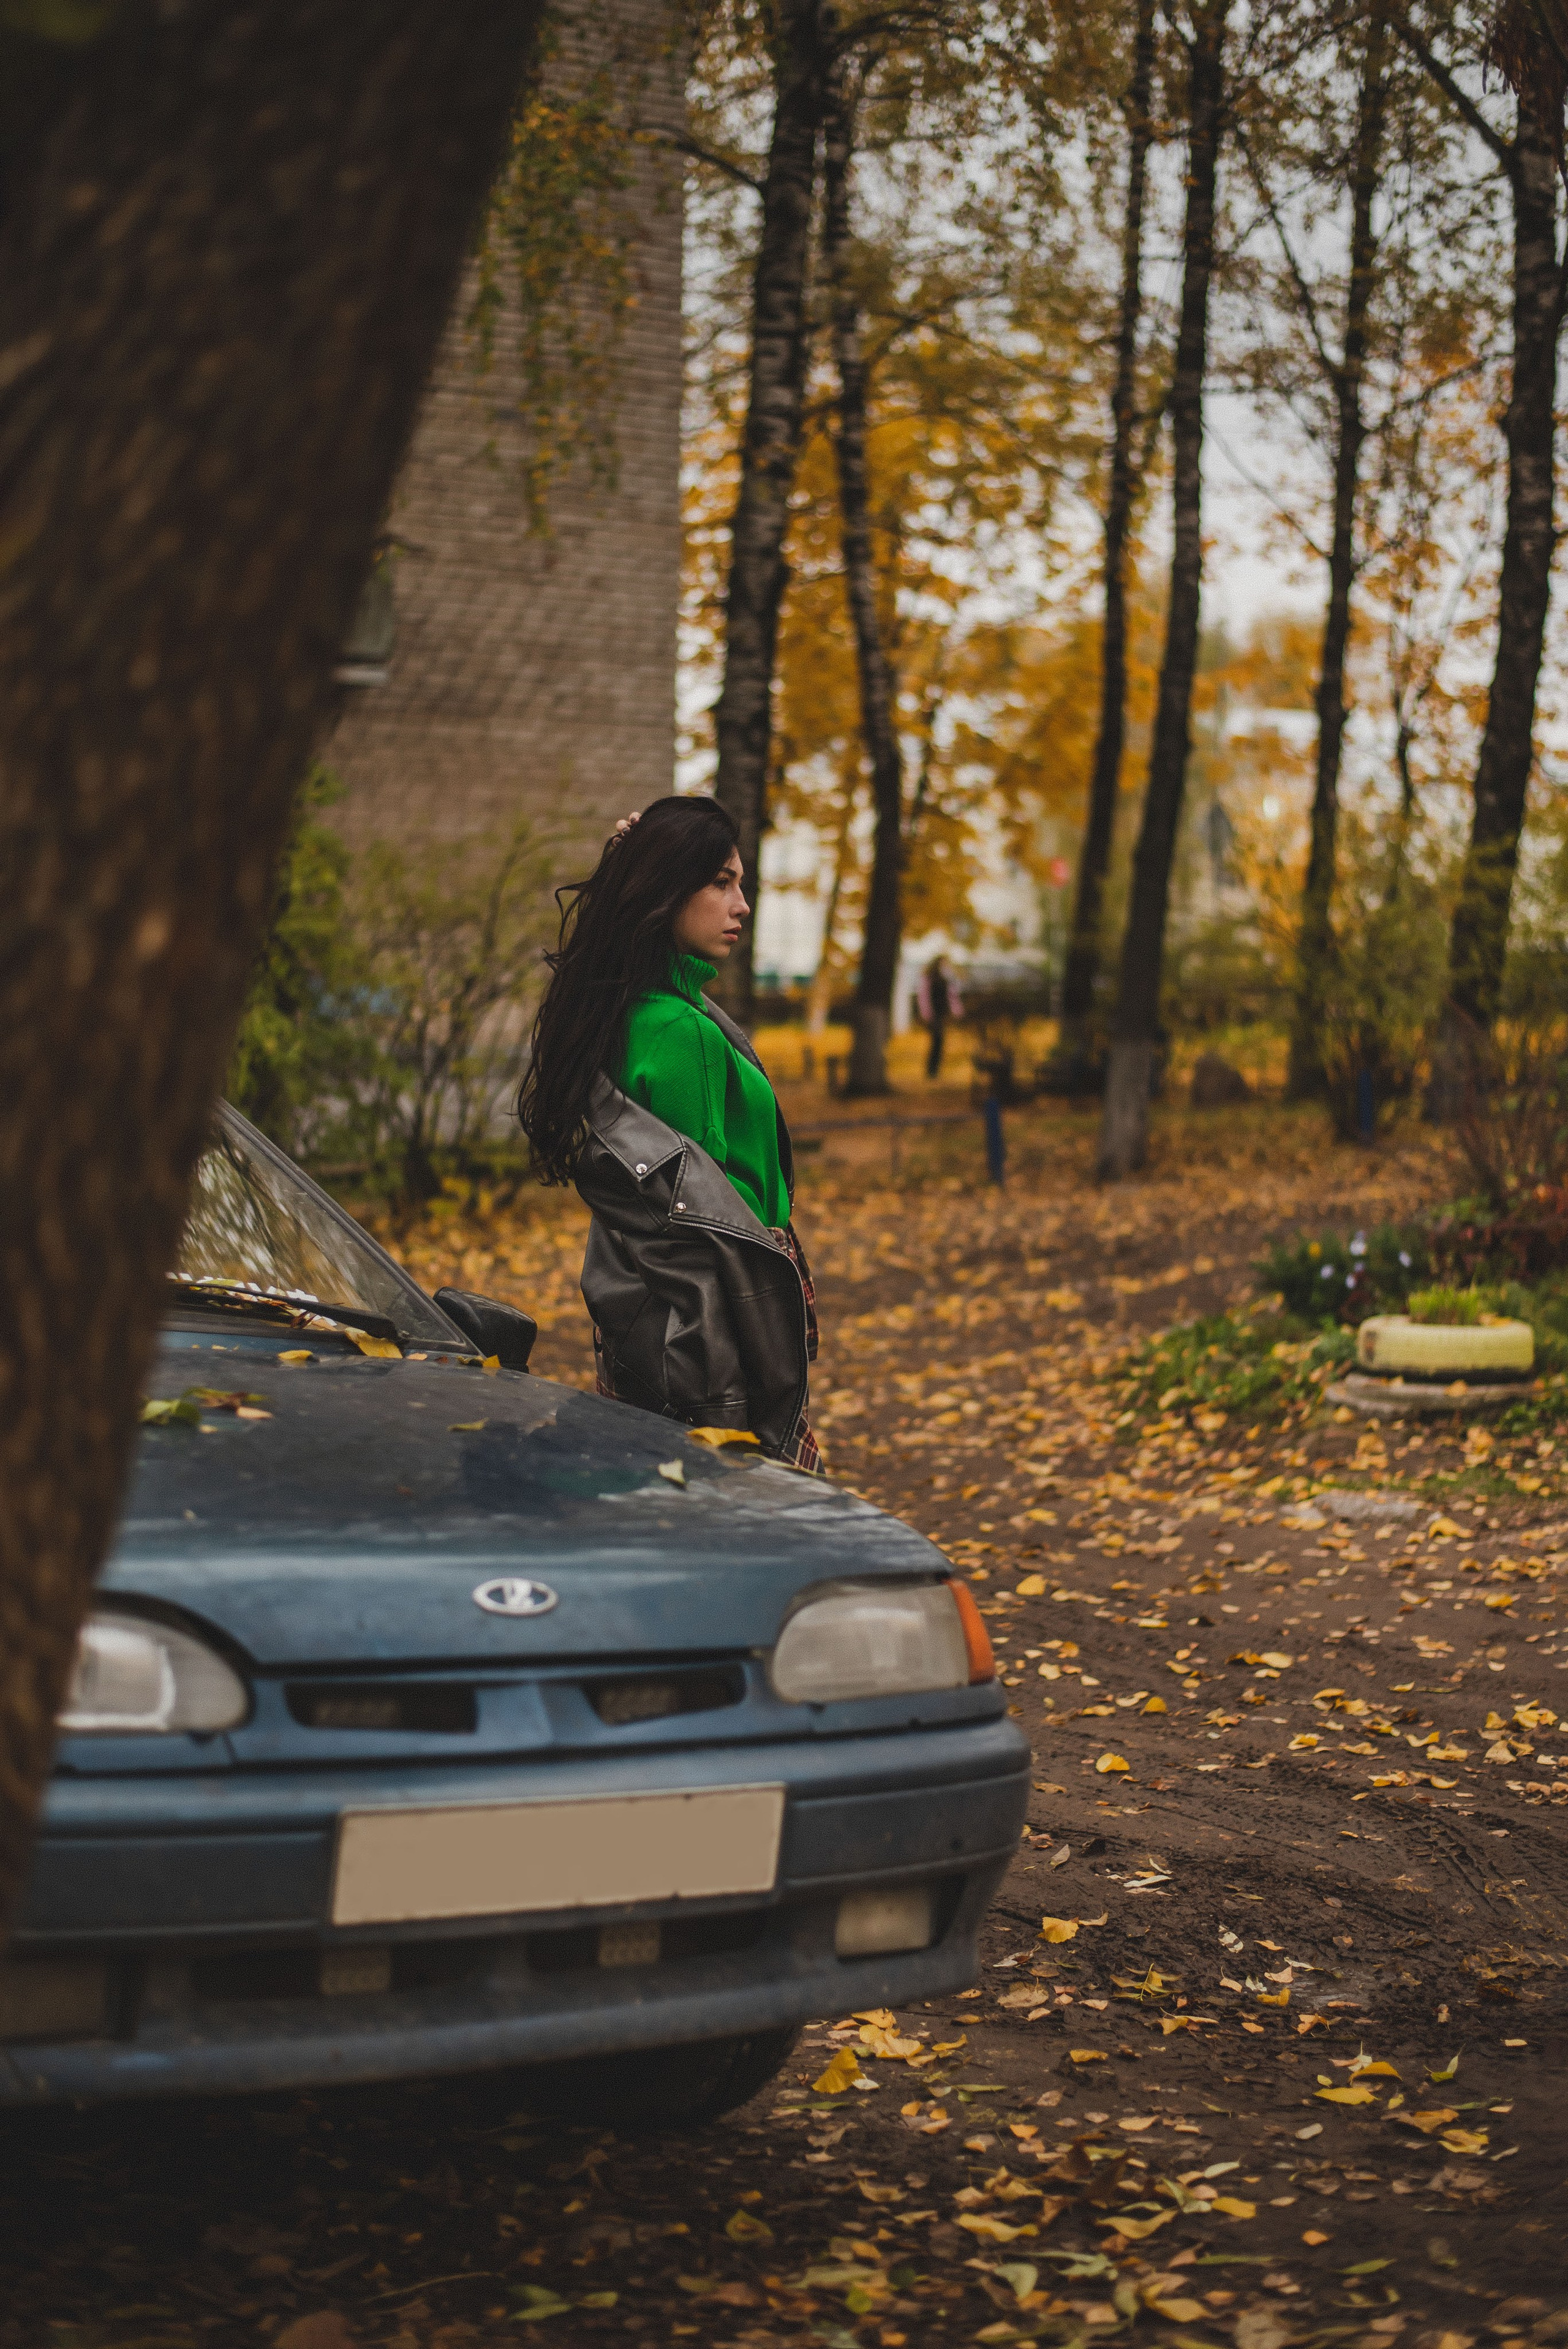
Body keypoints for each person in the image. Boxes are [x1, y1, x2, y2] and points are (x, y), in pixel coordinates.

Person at [517, 796, 821, 1473]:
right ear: (665, 890)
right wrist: (728, 1402)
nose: (741, 904)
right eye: (720, 882)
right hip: (720, 1325)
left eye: (738, 882)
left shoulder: (639, 1009)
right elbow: (700, 1232)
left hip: (653, 1324)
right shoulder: (682, 1033)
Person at [917, 952, 962, 1080]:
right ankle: (931, 1071)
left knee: (939, 1042)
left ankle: (934, 1071)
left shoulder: (946, 979)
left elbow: (952, 996)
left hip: (941, 1014)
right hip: (934, 1014)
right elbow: (924, 997)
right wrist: (926, 1013)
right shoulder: (930, 978)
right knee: (937, 1041)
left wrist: (956, 1011)